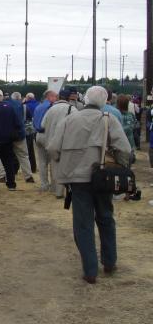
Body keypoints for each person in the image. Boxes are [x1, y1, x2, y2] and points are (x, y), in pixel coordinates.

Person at [48, 86, 131, 284]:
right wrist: (119, 164)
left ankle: (90, 270)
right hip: (102, 177)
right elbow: (124, 149)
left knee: (82, 223)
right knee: (105, 218)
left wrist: (64, 161)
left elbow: (52, 148)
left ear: (85, 99)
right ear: (104, 101)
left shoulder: (69, 119)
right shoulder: (108, 119)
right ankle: (109, 262)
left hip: (76, 179)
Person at [42, 89, 77, 199]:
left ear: (58, 97)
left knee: (55, 167)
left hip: (51, 142)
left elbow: (43, 124)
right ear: (68, 98)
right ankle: (68, 190)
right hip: (67, 142)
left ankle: (57, 191)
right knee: (68, 167)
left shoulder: (50, 109)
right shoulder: (73, 109)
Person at [33, 90, 58, 192]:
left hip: (38, 135)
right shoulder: (51, 107)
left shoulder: (38, 106)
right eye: (55, 96)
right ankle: (53, 186)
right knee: (53, 161)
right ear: (49, 97)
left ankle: (44, 185)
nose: (56, 99)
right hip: (48, 134)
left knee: (42, 162)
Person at [9, 92, 34, 183]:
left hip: (8, 134)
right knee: (24, 156)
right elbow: (29, 119)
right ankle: (28, 176)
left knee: (4, 156)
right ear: (20, 98)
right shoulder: (25, 107)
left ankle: (1, 175)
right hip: (20, 134)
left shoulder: (7, 105)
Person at [115, 94, 136, 160]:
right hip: (129, 144)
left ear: (118, 104)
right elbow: (132, 127)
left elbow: (127, 128)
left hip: (119, 145)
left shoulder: (116, 114)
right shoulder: (130, 115)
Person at [23, 93, 38, 173]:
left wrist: (23, 102)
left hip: (27, 129)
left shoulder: (25, 106)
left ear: (27, 98)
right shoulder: (38, 104)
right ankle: (33, 167)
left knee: (26, 150)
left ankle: (27, 168)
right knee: (32, 149)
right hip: (37, 128)